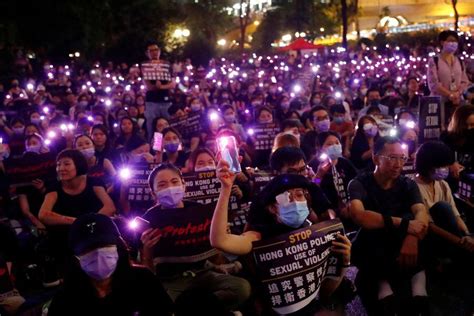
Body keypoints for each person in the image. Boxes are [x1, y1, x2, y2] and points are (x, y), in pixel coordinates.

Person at [210, 164, 352, 314]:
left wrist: (344, 263)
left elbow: (325, 292)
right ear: (273, 208)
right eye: (286, 197)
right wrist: (225, 189)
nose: (295, 202)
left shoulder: (317, 234)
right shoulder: (259, 236)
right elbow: (220, 240)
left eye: (299, 195)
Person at [140, 163, 251, 312]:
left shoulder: (200, 210)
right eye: (162, 185)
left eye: (174, 182)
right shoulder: (148, 219)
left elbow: (217, 250)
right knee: (160, 305)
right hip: (171, 280)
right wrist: (147, 247)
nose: (170, 188)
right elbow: (147, 267)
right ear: (153, 193)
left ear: (183, 184)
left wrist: (222, 233)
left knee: (241, 288)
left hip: (204, 273)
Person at [348, 136, 430, 315]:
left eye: (403, 158)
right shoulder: (359, 183)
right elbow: (360, 216)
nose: (398, 163)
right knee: (374, 228)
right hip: (375, 243)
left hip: (399, 242)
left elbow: (421, 215)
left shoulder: (408, 184)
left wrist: (411, 236)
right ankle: (382, 286)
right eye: (392, 157)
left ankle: (419, 288)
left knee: (420, 224)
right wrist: (405, 225)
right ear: (376, 158)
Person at [48, 213, 173, 316]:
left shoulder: (143, 280)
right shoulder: (66, 297)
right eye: (88, 249)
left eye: (104, 245)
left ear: (119, 247)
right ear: (76, 257)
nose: (98, 254)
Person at [38, 149, 116, 271]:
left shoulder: (94, 182)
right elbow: (43, 215)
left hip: (94, 232)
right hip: (66, 236)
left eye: (66, 164)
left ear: (78, 165)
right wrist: (76, 222)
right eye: (58, 165)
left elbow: (109, 207)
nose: (61, 168)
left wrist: (89, 223)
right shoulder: (54, 188)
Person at [414, 141, 474, 258]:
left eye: (446, 165)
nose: (445, 169)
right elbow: (430, 226)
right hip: (432, 238)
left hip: (454, 235)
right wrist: (460, 242)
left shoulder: (442, 184)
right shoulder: (413, 187)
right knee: (443, 207)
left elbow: (456, 215)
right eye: (441, 166)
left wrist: (467, 234)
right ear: (428, 164)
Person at [310, 132, 358, 224]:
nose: (335, 146)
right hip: (328, 209)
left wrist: (351, 202)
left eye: (337, 143)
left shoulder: (344, 163)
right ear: (320, 148)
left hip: (348, 205)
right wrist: (319, 175)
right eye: (329, 144)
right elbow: (314, 187)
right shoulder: (315, 165)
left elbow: (356, 181)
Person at [427, 30, 470, 126]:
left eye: (455, 41)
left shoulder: (459, 61)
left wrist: (457, 93)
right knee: (441, 126)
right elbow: (433, 84)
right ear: (442, 42)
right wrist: (450, 94)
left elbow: (464, 81)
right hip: (439, 102)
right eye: (450, 40)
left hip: (457, 101)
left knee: (459, 126)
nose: (453, 43)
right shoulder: (434, 60)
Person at [143, 43, 175, 137]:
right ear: (147, 53)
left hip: (166, 100)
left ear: (159, 51)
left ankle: (171, 144)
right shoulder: (146, 67)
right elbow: (148, 86)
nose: (154, 52)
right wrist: (155, 86)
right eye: (151, 51)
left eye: (156, 50)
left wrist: (161, 87)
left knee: (169, 124)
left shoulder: (166, 65)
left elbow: (172, 84)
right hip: (152, 101)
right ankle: (155, 147)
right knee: (153, 125)